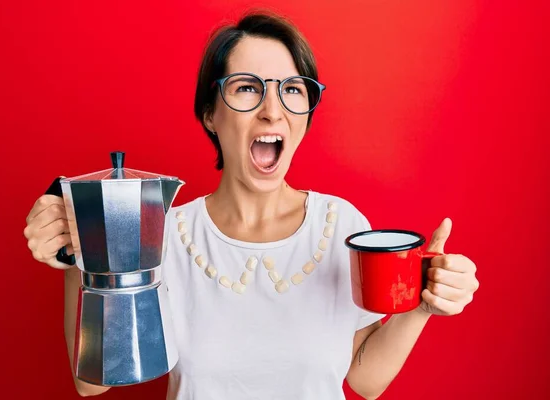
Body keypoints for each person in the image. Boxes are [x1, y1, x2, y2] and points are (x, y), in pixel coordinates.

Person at [23, 11, 479, 400]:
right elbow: (92, 385)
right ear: (209, 114)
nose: (272, 110)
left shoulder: (341, 225)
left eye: (293, 89)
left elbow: (365, 378)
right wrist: (77, 255)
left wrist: (422, 305)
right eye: (247, 88)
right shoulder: (161, 235)